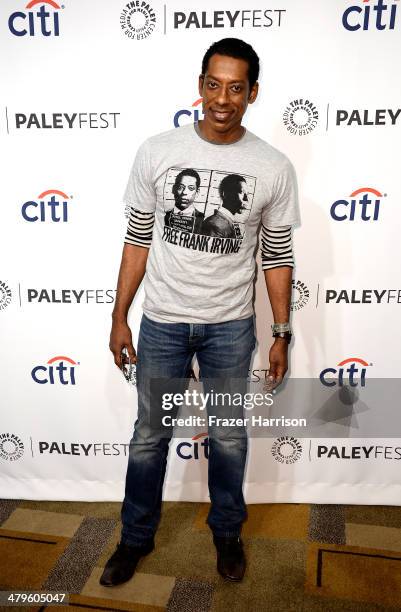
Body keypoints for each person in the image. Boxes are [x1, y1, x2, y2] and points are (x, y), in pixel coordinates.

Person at [100, 37, 300, 587]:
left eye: (236, 88)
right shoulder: (156, 152)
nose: (222, 99)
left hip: (231, 328)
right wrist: (120, 316)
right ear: (199, 86)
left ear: (252, 93)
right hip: (162, 320)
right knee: (149, 437)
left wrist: (281, 331)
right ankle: (134, 538)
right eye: (213, 84)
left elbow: (277, 256)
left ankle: (227, 534)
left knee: (230, 436)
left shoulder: (273, 166)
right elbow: (137, 240)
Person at [202, 173, 249, 238]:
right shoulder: (215, 225)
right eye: (241, 192)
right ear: (226, 194)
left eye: (247, 194)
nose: (246, 199)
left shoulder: (230, 221)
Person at [164, 168, 204, 234]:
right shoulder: (165, 215)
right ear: (174, 189)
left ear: (197, 192)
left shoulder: (203, 220)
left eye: (191, 188)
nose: (185, 192)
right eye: (180, 187)